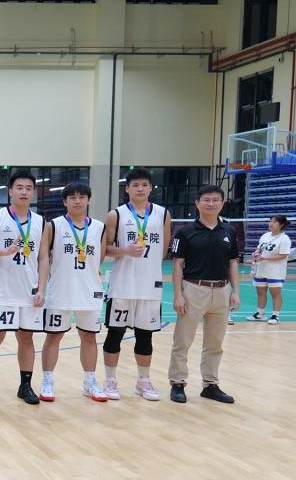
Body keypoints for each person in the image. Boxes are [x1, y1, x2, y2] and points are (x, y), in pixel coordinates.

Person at [0, 170, 49, 405]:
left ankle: (25, 386)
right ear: (10, 191)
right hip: (2, 292)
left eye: (28, 188)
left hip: (29, 292)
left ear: (33, 192)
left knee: (26, 338)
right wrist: (4, 251)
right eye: (19, 188)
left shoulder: (41, 222)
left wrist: (42, 289)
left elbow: (44, 258)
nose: (24, 192)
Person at [101, 168, 171, 401]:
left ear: (151, 188)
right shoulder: (116, 215)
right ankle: (110, 380)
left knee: (145, 336)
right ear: (127, 189)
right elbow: (105, 249)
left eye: (144, 185)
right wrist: (125, 251)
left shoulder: (162, 214)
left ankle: (143, 380)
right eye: (135, 185)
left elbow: (163, 249)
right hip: (122, 285)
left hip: (150, 287)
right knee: (115, 334)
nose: (140, 189)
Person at [167, 185, 239, 404]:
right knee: (183, 340)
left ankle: (210, 385)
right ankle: (178, 383)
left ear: (222, 203)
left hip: (221, 291)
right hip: (193, 290)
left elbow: (233, 263)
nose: (211, 203)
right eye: (206, 200)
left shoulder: (229, 231)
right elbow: (177, 265)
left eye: (215, 200)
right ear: (197, 203)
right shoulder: (185, 232)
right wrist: (178, 295)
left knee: (215, 343)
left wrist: (235, 291)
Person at [39, 182, 107, 402]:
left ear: (88, 200)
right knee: (54, 336)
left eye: (82, 197)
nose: (77, 201)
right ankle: (47, 381)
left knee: (89, 337)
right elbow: (44, 258)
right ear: (65, 201)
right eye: (72, 197)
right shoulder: (54, 226)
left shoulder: (99, 227)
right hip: (61, 292)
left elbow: (99, 258)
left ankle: (90, 382)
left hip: (90, 291)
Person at [247, 214, 291, 324]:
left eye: (274, 222)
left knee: (275, 294)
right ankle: (260, 314)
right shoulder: (265, 236)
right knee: (260, 293)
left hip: (275, 271)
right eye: (270, 221)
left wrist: (264, 258)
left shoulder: (284, 239)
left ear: (281, 225)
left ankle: (275, 316)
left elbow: (283, 256)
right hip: (261, 269)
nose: (271, 224)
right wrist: (255, 253)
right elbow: (259, 249)